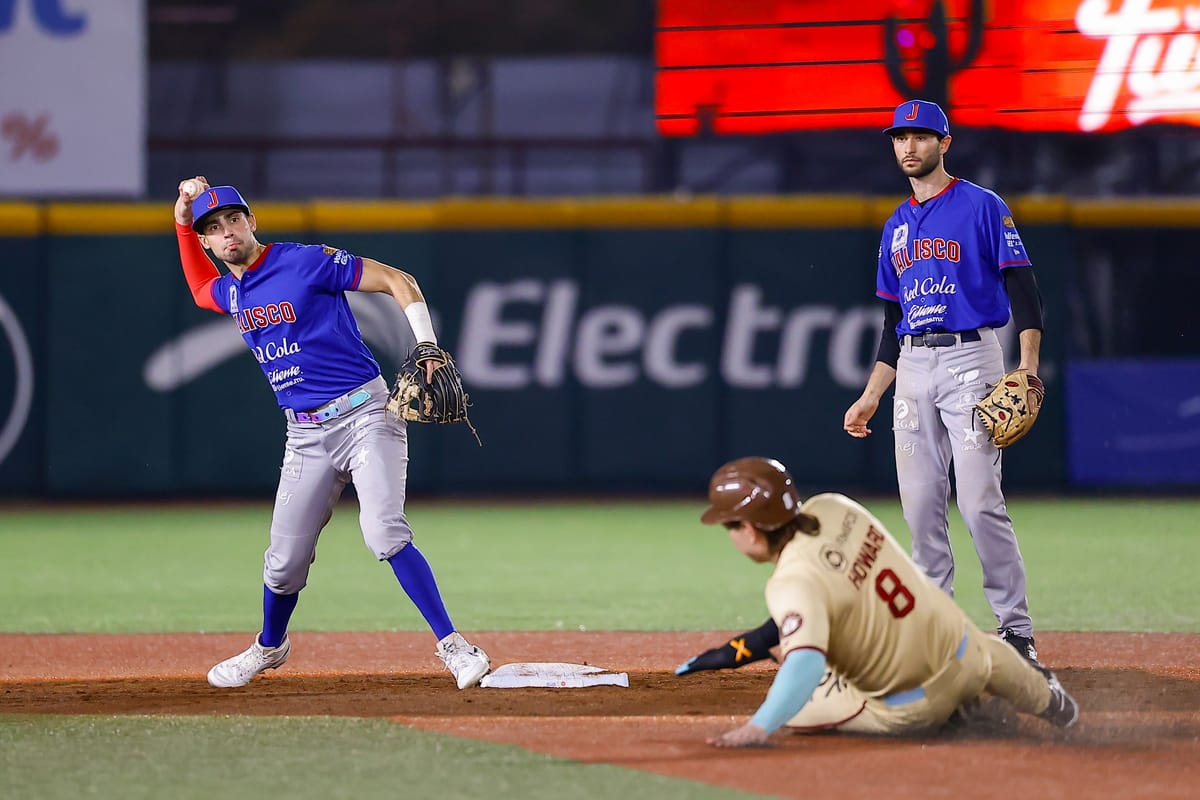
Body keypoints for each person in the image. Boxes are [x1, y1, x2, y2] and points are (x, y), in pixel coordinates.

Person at [172, 177, 490, 690]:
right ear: (207, 241)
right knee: (282, 566)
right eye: (214, 228)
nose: (226, 231)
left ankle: (455, 646)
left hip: (367, 417)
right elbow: (195, 286)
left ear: (251, 222)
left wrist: (427, 344)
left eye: (233, 219)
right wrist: (182, 216)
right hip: (304, 437)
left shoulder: (303, 261)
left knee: (384, 532)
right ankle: (269, 647)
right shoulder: (230, 291)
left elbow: (398, 280)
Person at [842, 100, 1047, 664]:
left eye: (920, 136)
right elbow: (892, 324)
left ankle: (1016, 628)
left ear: (944, 142)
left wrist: (1026, 367)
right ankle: (935, 634)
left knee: (980, 501)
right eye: (899, 138)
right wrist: (870, 396)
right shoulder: (895, 226)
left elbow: (1024, 290)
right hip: (911, 367)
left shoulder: (983, 206)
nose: (908, 146)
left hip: (971, 360)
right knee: (920, 508)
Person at [693, 456, 1077, 748]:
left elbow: (805, 665)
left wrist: (757, 727)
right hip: (972, 656)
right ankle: (1052, 702)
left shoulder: (789, 583)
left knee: (801, 707)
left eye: (731, 526)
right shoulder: (834, 507)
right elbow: (837, 582)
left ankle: (953, 722)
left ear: (750, 528)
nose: (731, 535)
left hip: (914, 707)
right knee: (983, 647)